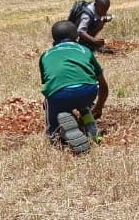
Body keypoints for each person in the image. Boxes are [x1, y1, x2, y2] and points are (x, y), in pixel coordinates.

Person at [39, 20, 108, 154]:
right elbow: (103, 86)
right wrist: (98, 107)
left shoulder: (46, 55)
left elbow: (50, 84)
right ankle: (92, 131)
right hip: (88, 91)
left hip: (60, 94)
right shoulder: (85, 50)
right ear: (76, 37)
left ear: (54, 39)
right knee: (83, 103)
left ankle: (54, 133)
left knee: (49, 101)